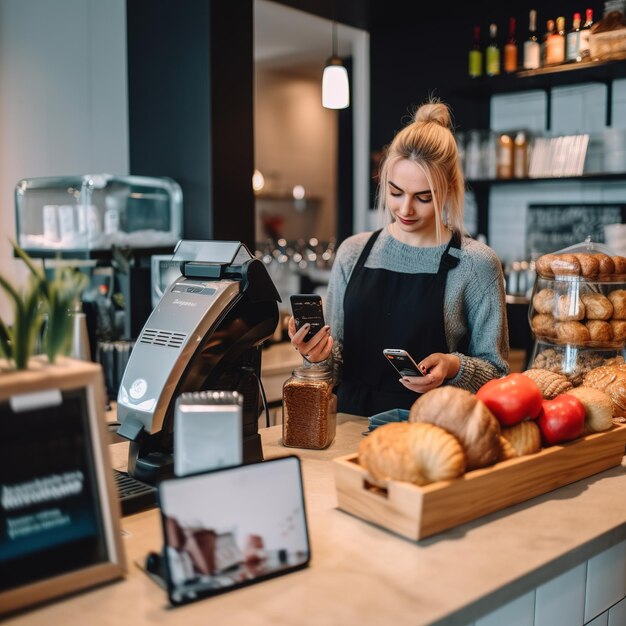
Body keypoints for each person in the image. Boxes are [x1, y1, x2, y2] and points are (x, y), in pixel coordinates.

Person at [289, 99, 509, 418]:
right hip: (348, 427)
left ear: (448, 190)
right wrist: (316, 355)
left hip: (432, 434)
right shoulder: (353, 253)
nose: (405, 209)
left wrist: (453, 366)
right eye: (395, 193)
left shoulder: (476, 265)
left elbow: (497, 374)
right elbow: (334, 366)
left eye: (423, 198)